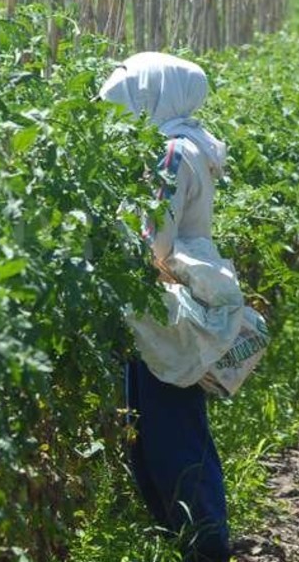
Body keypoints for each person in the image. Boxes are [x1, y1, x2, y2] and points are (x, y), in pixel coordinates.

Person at [99, 52, 234, 562]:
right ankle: (194, 541)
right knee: (168, 430)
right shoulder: (191, 142)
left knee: (169, 435)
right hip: (172, 311)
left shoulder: (172, 153)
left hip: (163, 315)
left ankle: (205, 544)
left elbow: (152, 241)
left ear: (154, 95)